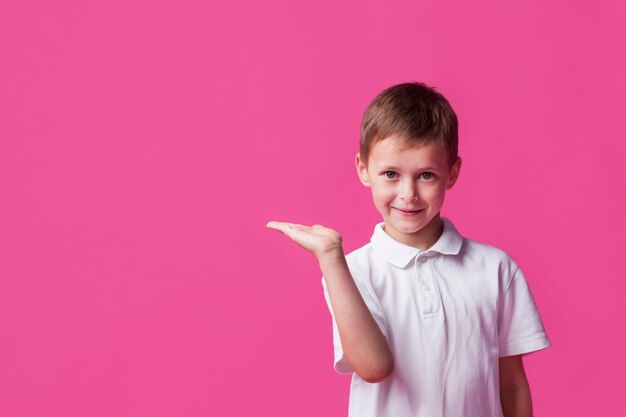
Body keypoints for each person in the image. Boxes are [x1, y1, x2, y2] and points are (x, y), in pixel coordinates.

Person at [266, 82, 551, 417]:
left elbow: (512, 386)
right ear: (363, 169)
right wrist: (330, 258)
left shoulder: (496, 269)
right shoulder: (351, 271)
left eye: (426, 175)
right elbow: (374, 367)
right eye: (390, 174)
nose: (408, 193)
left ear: (452, 173)